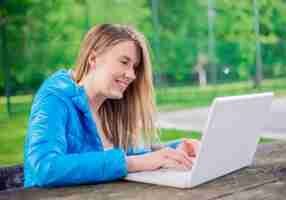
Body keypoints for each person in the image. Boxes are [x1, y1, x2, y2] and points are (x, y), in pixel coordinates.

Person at [24, 24, 199, 188]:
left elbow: (135, 155)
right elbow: (44, 167)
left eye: (135, 67)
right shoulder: (55, 97)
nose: (131, 75)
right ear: (93, 58)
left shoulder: (107, 106)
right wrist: (132, 164)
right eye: (124, 62)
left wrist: (175, 150)